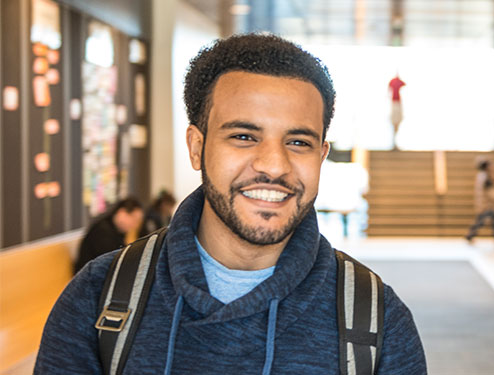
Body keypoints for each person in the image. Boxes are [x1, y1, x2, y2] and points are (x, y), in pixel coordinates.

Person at [36, 33, 426, 374]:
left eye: (298, 142)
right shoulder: (100, 297)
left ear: (321, 156)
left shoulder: (376, 319)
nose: (274, 165)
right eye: (243, 136)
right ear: (196, 147)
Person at [73, 197, 144, 274]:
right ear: (122, 213)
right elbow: (112, 260)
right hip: (88, 277)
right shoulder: (102, 230)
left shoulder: (116, 229)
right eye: (134, 219)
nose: (135, 225)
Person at [465, 159, 494, 244]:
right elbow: (489, 191)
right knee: (482, 220)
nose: (492, 167)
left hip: (485, 202)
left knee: (492, 219)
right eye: (491, 165)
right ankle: (471, 235)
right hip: (487, 203)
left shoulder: (482, 176)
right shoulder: (486, 177)